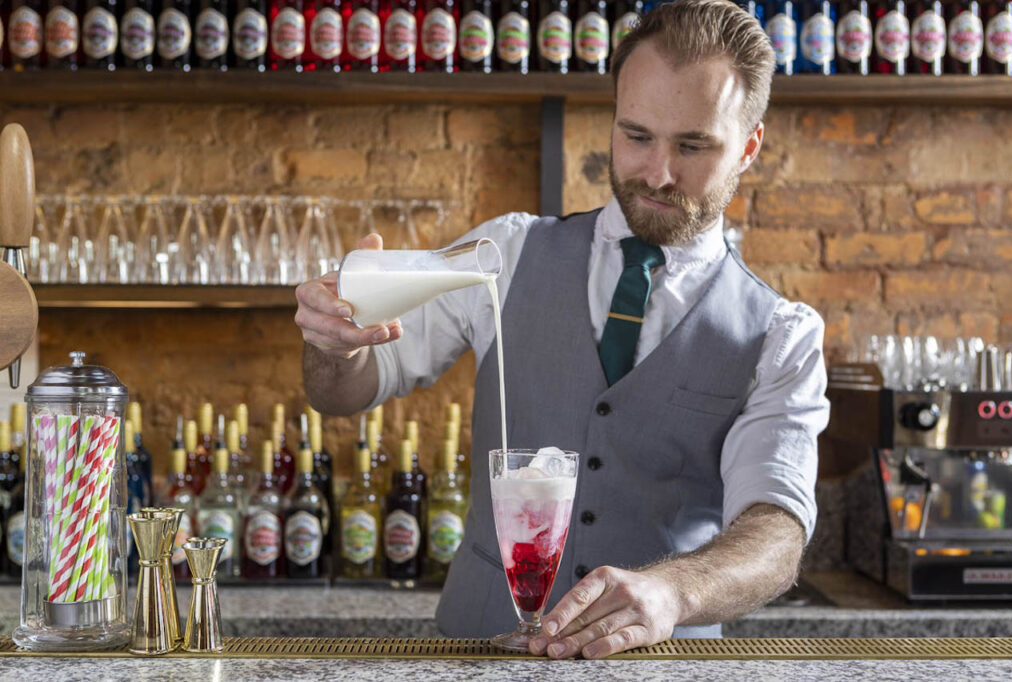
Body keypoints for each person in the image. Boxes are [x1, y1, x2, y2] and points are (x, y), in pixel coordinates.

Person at [295, 0, 829, 660]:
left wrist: (671, 593)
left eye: (693, 146)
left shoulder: (781, 335)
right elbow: (344, 391)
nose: (658, 173)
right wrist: (330, 344)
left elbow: (776, 533)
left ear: (748, 146)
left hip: (660, 666)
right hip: (478, 655)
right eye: (636, 136)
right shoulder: (505, 253)